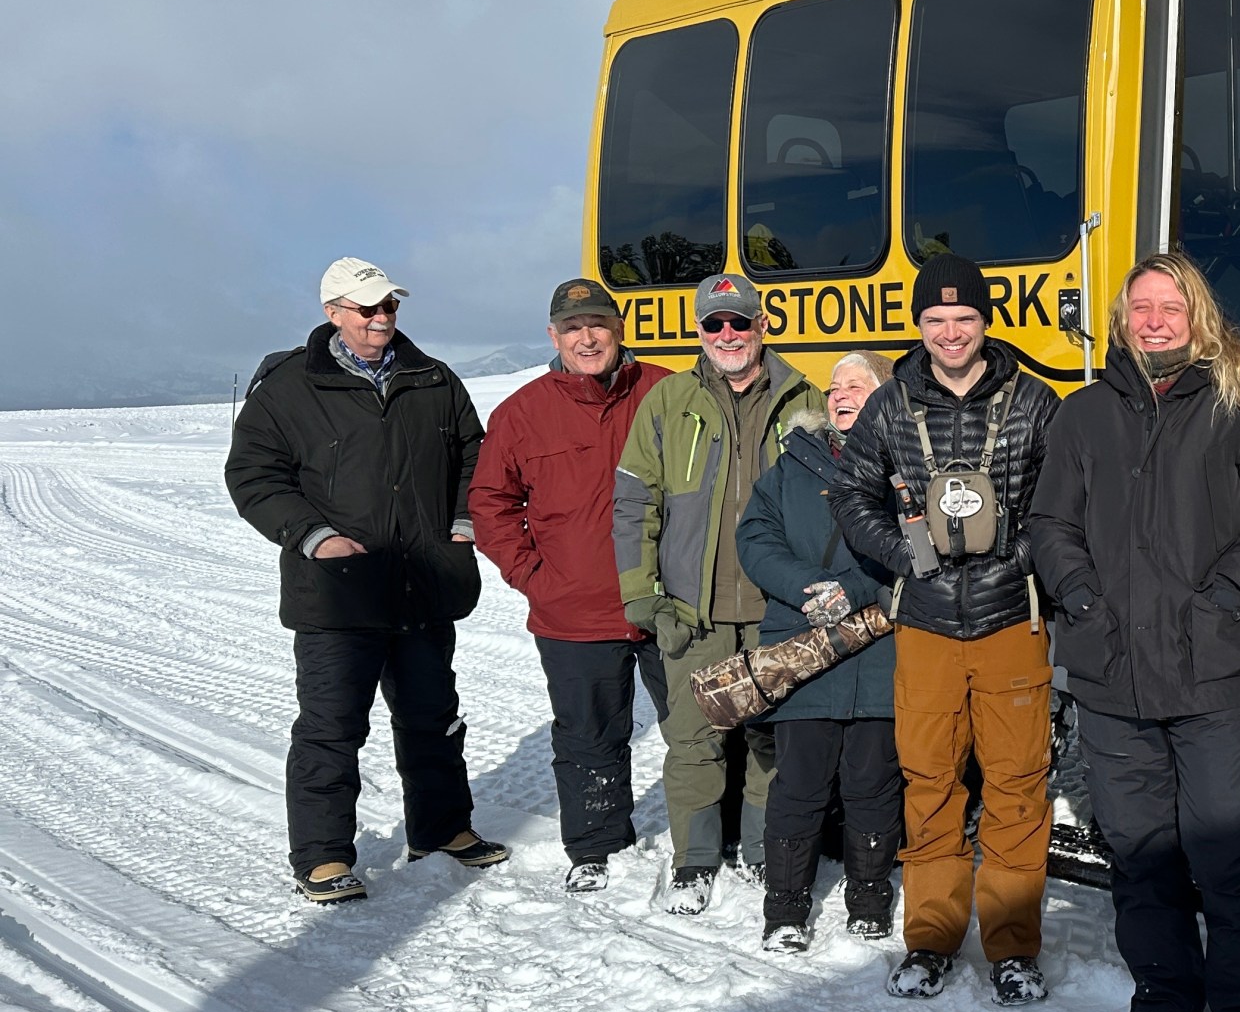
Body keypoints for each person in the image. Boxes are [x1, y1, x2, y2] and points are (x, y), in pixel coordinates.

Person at [1028, 253, 1240, 1012]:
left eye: (1171, 308)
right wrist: (1080, 598)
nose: (1154, 321)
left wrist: (1224, 592)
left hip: (1211, 671)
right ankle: (1162, 999)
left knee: (1225, 846)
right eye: (1141, 308)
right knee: (1140, 848)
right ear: (1121, 320)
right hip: (1111, 670)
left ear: (1198, 319)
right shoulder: (1083, 418)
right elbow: (1051, 524)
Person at [225, 257, 508, 903]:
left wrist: (465, 519)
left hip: (423, 583)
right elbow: (252, 476)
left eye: (390, 307)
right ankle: (324, 857)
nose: (382, 318)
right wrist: (314, 537)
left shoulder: (431, 378)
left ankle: (441, 831)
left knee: (433, 717)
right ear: (333, 314)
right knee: (332, 726)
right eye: (368, 308)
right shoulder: (289, 388)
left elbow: (477, 453)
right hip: (336, 593)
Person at [831, 253, 1060, 1005]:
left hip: (1008, 620)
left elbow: (1066, 503)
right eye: (936, 319)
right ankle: (930, 938)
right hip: (924, 620)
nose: (951, 332)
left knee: (1016, 786)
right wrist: (905, 554)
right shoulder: (891, 404)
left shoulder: (1034, 400)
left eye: (964, 318)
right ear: (919, 325)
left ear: (986, 321)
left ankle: (1013, 945)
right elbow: (851, 495)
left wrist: (1016, 555)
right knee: (929, 784)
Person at [613, 272, 823, 914]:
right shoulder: (668, 402)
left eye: (740, 322)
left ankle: (764, 853)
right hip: (692, 611)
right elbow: (633, 504)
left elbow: (829, 504)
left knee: (771, 740)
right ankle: (695, 861)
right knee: (693, 738)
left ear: (763, 326)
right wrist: (641, 595)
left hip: (776, 609)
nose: (727, 334)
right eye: (714, 324)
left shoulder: (803, 399)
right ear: (699, 333)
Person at [469, 279, 673, 893]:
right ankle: (596, 845)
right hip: (574, 611)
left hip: (671, 604)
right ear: (554, 337)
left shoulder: (665, 391)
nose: (588, 338)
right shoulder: (522, 413)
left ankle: (712, 842)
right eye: (573, 328)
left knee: (704, 730)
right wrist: (535, 578)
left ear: (619, 329)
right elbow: (490, 504)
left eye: (599, 324)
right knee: (589, 735)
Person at [735, 351, 904, 952]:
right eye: (834, 386)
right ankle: (784, 910)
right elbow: (754, 536)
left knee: (873, 784)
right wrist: (808, 589)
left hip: (882, 652)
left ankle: (869, 899)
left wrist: (851, 592)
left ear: (887, 394)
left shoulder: (909, 467)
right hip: (804, 647)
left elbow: (918, 551)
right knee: (799, 786)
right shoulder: (793, 464)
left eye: (856, 384)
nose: (840, 394)